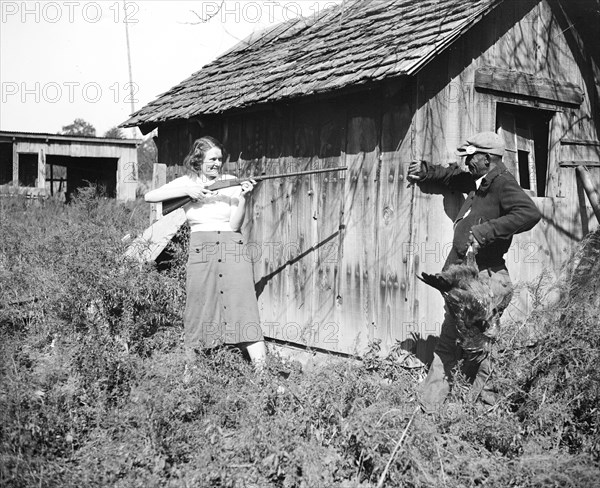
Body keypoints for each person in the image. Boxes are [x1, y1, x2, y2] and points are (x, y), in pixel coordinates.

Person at [407, 131, 542, 413]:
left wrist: (484, 232)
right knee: (453, 342)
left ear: (487, 158)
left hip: (485, 280)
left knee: (479, 349)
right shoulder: (480, 180)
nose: (467, 161)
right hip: (464, 281)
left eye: (471, 157)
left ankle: (481, 410)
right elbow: (452, 177)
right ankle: (434, 407)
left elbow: (529, 213)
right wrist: (426, 170)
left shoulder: (503, 184)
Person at [145, 136, 267, 368]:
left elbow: (234, 225)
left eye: (220, 159)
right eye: (212, 159)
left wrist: (243, 197)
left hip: (232, 247)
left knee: (243, 305)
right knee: (198, 308)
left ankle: (262, 375)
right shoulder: (186, 183)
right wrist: (189, 191)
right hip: (202, 248)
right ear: (198, 160)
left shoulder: (232, 181)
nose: (217, 164)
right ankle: (191, 376)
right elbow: (149, 197)